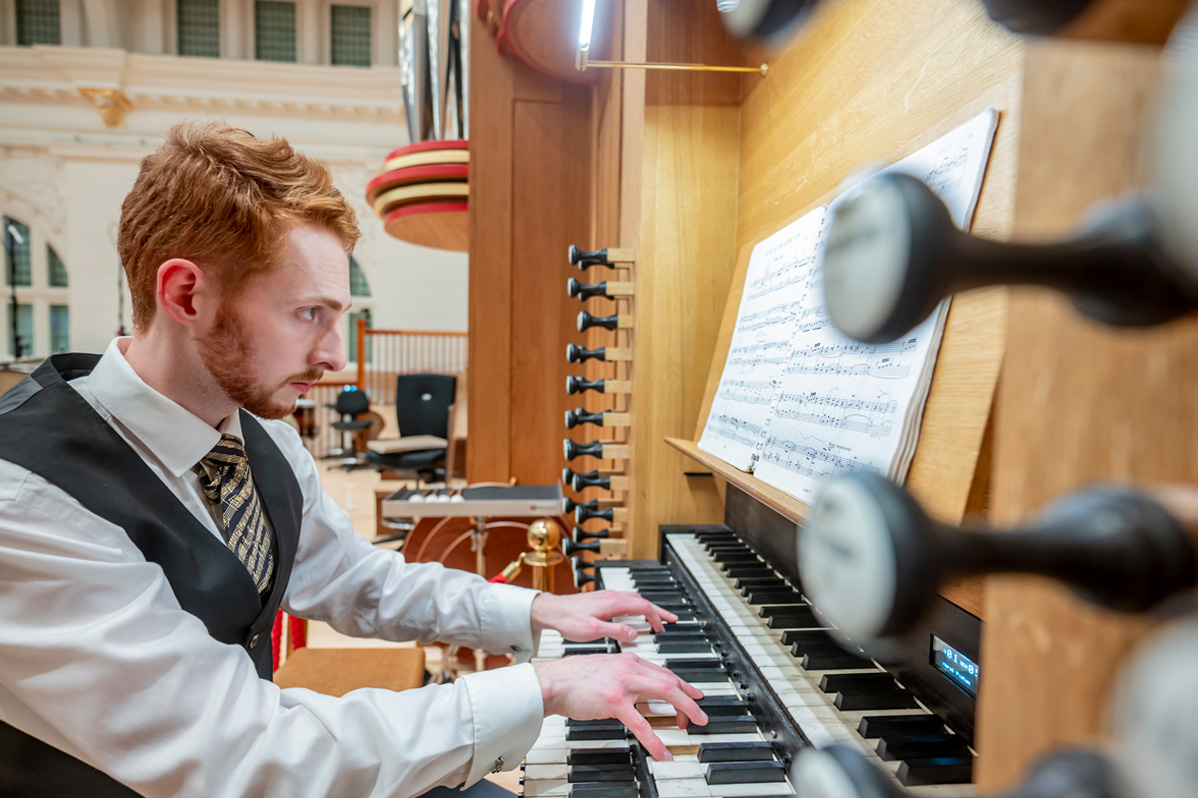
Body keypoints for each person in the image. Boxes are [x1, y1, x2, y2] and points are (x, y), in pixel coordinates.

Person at [0, 122, 707, 797]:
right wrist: (541, 688)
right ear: (187, 294)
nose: (336, 357)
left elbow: (358, 580)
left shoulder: (257, 435)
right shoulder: (24, 496)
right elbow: (236, 753)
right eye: (311, 314)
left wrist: (538, 609)